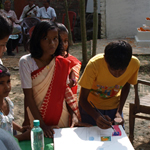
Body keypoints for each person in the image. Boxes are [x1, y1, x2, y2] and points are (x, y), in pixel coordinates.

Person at [19, 21, 81, 138]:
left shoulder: (61, 62)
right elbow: (28, 96)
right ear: (37, 39)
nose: (52, 43)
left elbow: (66, 93)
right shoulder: (26, 62)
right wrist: (42, 125)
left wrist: (73, 115)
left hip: (61, 115)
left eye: (55, 39)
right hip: (37, 118)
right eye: (46, 39)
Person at [78, 40, 140, 129]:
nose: (117, 74)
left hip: (114, 108)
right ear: (105, 60)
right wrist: (96, 116)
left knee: (114, 138)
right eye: (113, 70)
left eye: (122, 70)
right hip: (90, 109)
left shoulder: (134, 64)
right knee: (91, 138)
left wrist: (119, 111)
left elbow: (126, 85)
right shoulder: (94, 65)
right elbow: (83, 99)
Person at [0, 64, 31, 141]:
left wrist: (21, 129)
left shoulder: (7, 101)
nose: (7, 86)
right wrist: (23, 137)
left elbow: (7, 122)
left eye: (8, 81)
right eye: (1, 83)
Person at [57, 23, 81, 102]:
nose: (63, 45)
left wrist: (72, 81)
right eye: (59, 40)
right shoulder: (43, 61)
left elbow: (73, 79)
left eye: (65, 41)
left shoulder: (73, 62)